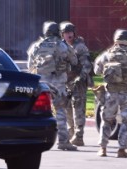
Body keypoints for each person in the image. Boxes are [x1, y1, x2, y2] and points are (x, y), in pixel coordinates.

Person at [94, 29, 127, 157]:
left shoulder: (107, 54)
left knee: (106, 120)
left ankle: (103, 149)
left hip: (111, 93)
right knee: (126, 121)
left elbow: (96, 71)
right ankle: (121, 150)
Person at [27, 21, 78, 151]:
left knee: (37, 111)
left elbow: (30, 66)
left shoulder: (36, 46)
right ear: (57, 32)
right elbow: (74, 61)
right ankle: (63, 142)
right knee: (60, 111)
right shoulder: (62, 45)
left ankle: (34, 140)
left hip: (41, 84)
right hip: (58, 82)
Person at [59, 21, 94, 146]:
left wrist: (81, 77)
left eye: (70, 32)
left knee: (78, 109)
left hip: (78, 82)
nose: (69, 35)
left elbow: (87, 65)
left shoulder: (80, 47)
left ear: (74, 33)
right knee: (67, 108)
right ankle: (71, 133)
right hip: (66, 82)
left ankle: (79, 136)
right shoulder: (61, 46)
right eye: (66, 33)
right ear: (62, 34)